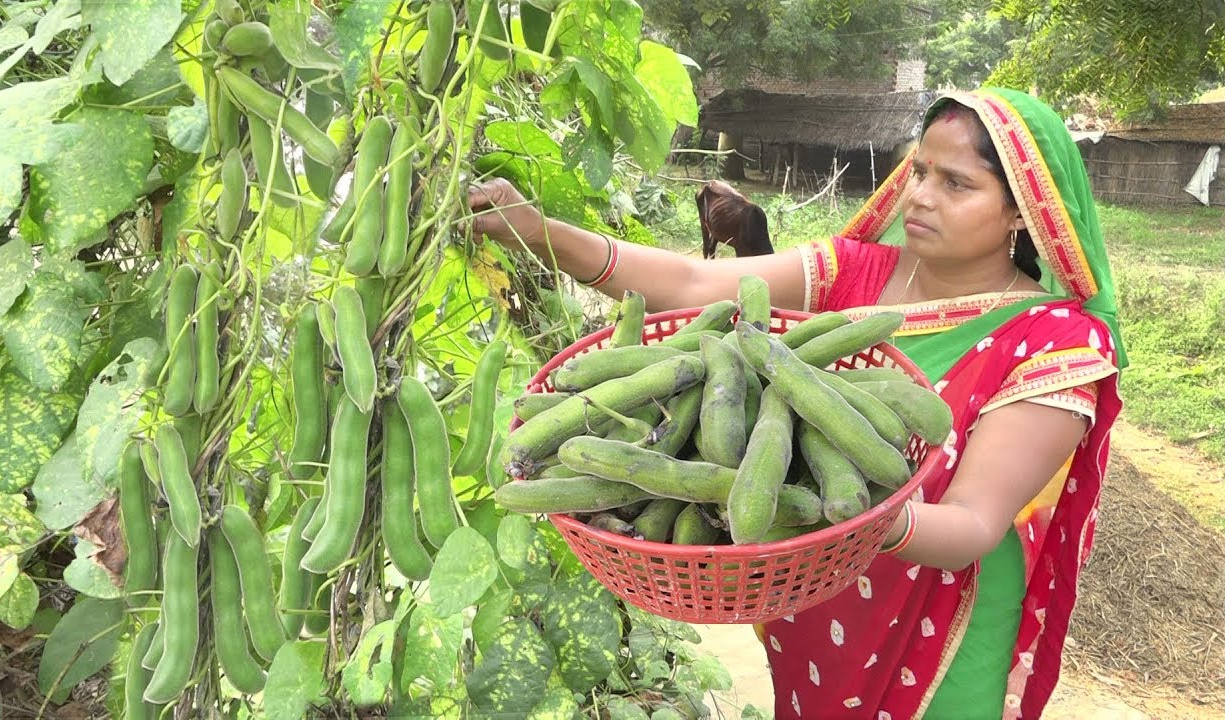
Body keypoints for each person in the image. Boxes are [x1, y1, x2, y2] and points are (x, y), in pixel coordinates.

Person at [468, 88, 1125, 720]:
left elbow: (972, 524)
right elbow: (694, 282)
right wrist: (535, 230)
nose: (920, 195)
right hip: (814, 594)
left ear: (1023, 211)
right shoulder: (856, 270)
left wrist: (852, 523)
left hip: (935, 625)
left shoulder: (1054, 342)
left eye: (957, 184)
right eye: (920, 169)